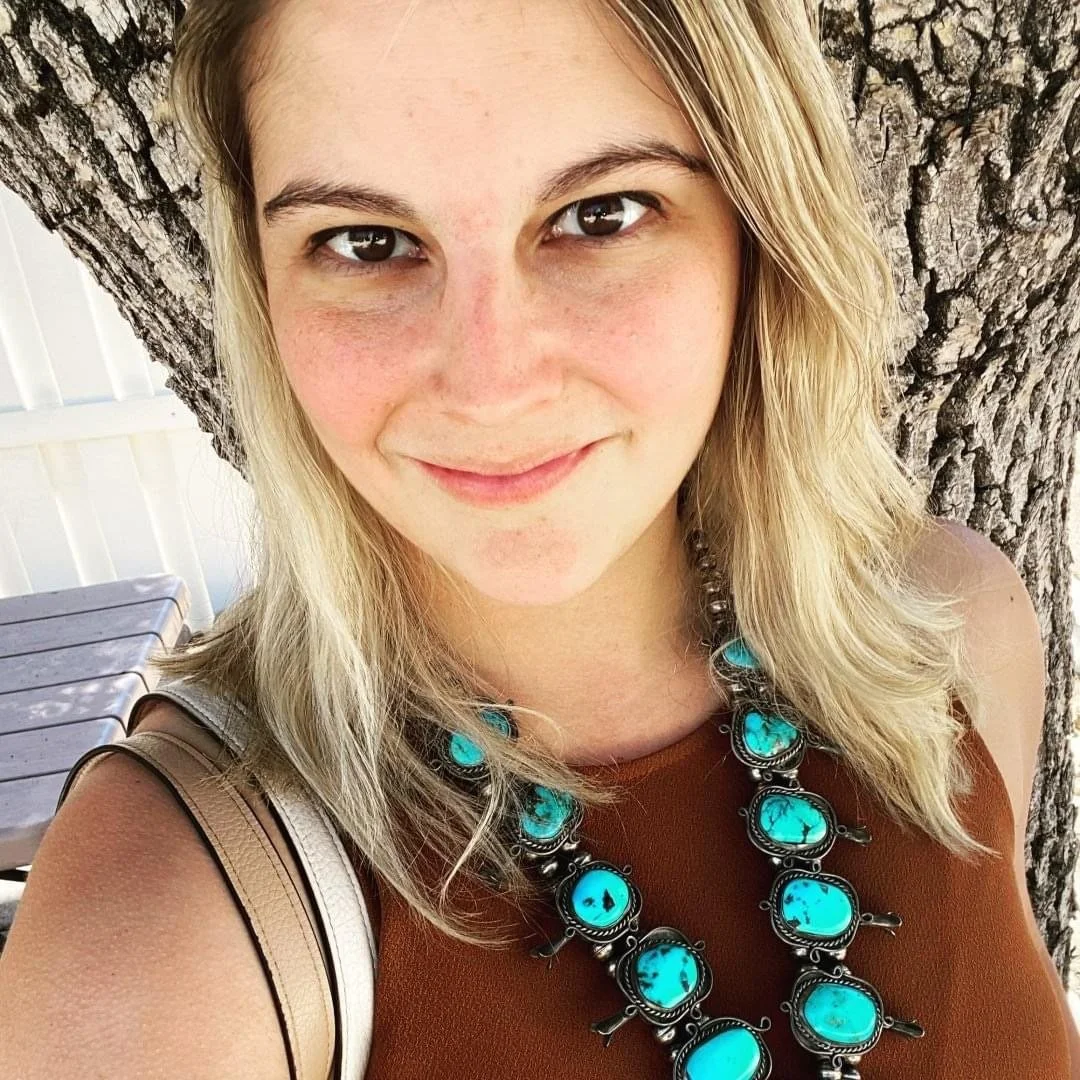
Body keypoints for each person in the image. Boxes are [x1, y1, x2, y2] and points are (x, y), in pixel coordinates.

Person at [1, 0, 1077, 1076]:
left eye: (602, 214)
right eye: (366, 242)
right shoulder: (163, 925)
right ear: (266, 284)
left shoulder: (949, 631)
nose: (491, 383)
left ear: (758, 230)